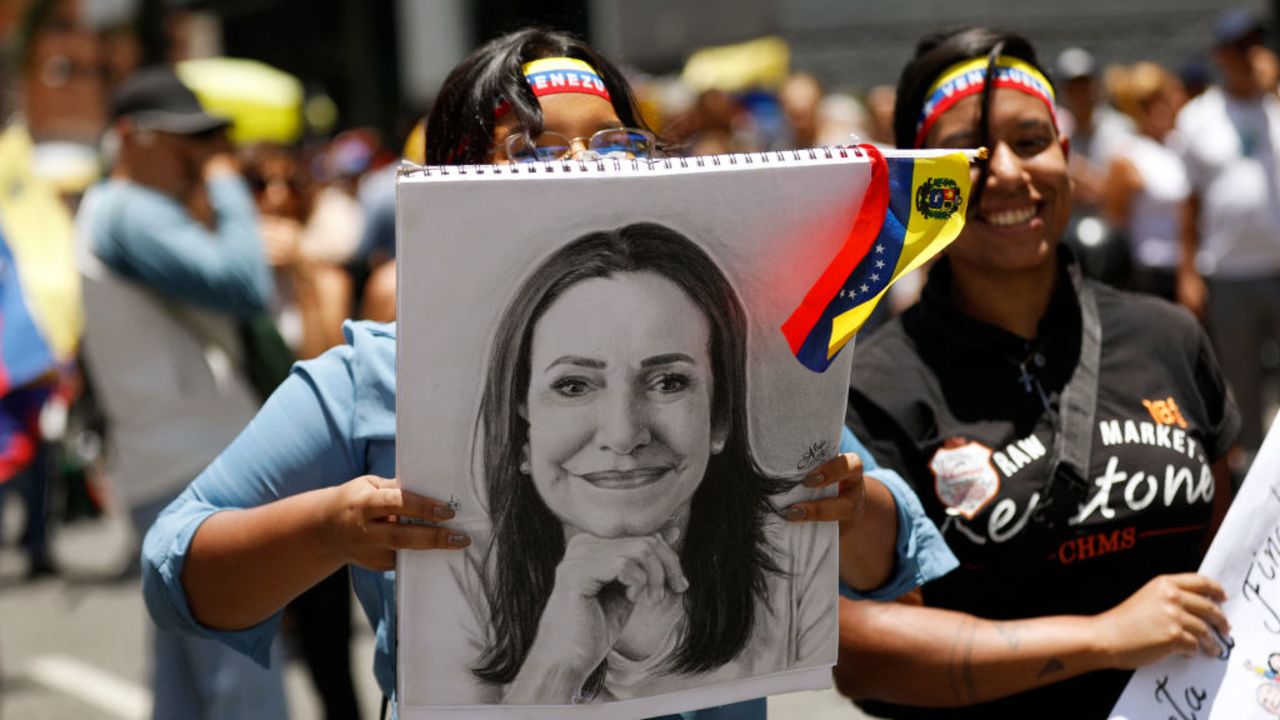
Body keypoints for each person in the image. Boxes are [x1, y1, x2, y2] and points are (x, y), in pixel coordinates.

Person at [142, 28, 956, 720]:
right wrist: (331, 528)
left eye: (613, 142)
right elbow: (176, 574)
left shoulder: (745, 353)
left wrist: (851, 505)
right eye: (532, 148)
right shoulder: (374, 377)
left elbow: (895, 558)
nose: (583, 166)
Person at [833, 27, 1239, 720]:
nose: (1008, 176)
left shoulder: (1167, 334)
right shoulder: (874, 385)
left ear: (1066, 155)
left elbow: (1234, 557)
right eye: (966, 156)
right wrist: (1103, 639)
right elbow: (863, 657)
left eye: (1030, 142)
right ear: (918, 185)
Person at [420, 223, 827, 704]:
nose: (623, 434)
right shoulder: (457, 567)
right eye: (574, 386)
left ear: (719, 418)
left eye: (668, 382)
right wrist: (555, 665)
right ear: (522, 423)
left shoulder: (795, 550)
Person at [76, 65, 286, 719]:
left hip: (176, 471)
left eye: (209, 141)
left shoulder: (121, 210)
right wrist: (227, 190)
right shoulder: (128, 210)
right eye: (184, 140)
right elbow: (242, 282)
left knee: (188, 689)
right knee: (240, 684)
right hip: (195, 474)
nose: (201, 155)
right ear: (129, 137)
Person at [1175, 8, 1280, 476]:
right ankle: (1259, 486)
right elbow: (1188, 204)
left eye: (1255, 46)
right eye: (1238, 47)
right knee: (1243, 385)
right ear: (1220, 55)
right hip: (1229, 273)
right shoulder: (1199, 118)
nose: (1250, 56)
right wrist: (1188, 272)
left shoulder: (1277, 107)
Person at [1102, 62, 1189, 301]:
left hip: (1192, 267)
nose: (1159, 108)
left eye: (1162, 98)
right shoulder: (1127, 155)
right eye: (1148, 103)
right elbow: (1117, 220)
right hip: (1149, 273)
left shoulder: (1181, 144)